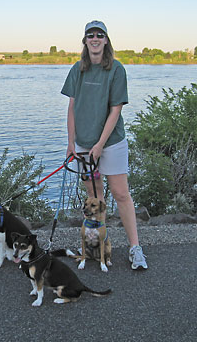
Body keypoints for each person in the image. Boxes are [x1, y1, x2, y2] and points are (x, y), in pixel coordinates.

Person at [61, 20, 148, 270]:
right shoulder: (77, 69)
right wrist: (71, 143)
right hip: (83, 144)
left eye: (100, 35)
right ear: (85, 41)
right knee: (94, 195)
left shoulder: (117, 70)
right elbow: (72, 108)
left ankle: (135, 248)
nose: (95, 39)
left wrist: (100, 144)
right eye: (91, 35)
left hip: (111, 143)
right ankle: (98, 245)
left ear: (106, 40)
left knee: (120, 193)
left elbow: (115, 109)